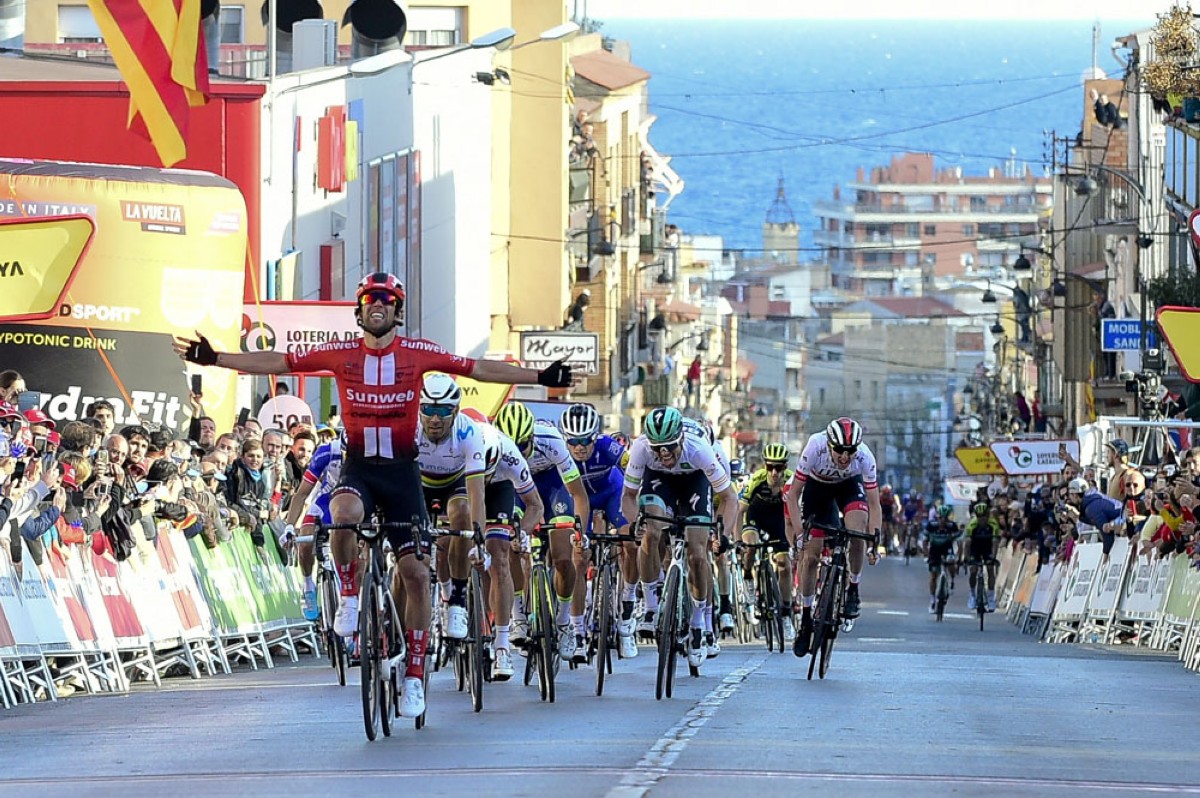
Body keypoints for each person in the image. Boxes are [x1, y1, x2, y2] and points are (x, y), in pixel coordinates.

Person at [173, 271, 573, 718]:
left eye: (387, 299)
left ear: (398, 311)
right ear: (359, 311)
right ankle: (348, 593)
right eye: (368, 299)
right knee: (342, 511)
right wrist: (216, 358)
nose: (377, 304)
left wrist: (539, 373)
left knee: (418, 577)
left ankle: (416, 675)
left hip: (405, 474)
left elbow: (477, 368)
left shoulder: (418, 354)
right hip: (361, 469)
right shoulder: (342, 354)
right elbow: (279, 362)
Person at [620, 406, 741, 672]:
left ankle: (699, 623)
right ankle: (651, 606)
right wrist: (634, 524)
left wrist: (721, 534)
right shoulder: (641, 449)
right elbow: (628, 496)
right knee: (650, 533)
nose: (663, 453)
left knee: (698, 553)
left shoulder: (699, 449)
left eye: (669, 447)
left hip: (694, 480)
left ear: (681, 439)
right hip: (659, 480)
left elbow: (730, 498)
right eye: (657, 448)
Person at [495, 401, 591, 664]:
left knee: (563, 555)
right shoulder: (492, 445)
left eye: (523, 446)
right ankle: (518, 618)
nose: (519, 452)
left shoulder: (551, 441)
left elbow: (578, 494)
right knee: (509, 543)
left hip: (550, 485)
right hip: (512, 485)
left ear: (532, 438)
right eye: (512, 447)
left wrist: (580, 532)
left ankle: (563, 623)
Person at [785, 417, 882, 658]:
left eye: (850, 451)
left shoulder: (864, 457)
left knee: (857, 530)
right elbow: (793, 495)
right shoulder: (814, 446)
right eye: (839, 450)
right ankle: (806, 619)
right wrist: (799, 535)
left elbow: (874, 504)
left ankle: (853, 589)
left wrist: (874, 541)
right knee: (811, 555)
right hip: (817, 489)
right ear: (829, 445)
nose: (845, 456)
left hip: (849, 486)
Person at [558, 403, 638, 660]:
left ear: (595, 437)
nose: (579, 447)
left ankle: (627, 606)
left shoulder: (609, 447)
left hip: (611, 494)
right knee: (579, 558)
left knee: (631, 541)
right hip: (580, 502)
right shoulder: (560, 453)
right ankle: (578, 631)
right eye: (573, 441)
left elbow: (635, 471)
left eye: (585, 441)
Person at [738, 443, 795, 640]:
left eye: (779, 467)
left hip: (779, 521)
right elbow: (740, 511)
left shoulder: (791, 480)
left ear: (785, 466)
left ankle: (786, 613)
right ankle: (747, 577)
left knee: (784, 565)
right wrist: (738, 540)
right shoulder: (757, 479)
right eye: (770, 466)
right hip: (756, 517)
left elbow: (798, 510)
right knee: (751, 546)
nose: (774, 472)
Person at [964, 501, 1001, 611]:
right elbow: (967, 544)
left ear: (988, 515)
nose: (982, 519)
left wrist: (993, 558)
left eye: (984, 516)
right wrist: (966, 558)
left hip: (987, 547)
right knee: (973, 570)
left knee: (990, 569)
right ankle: (972, 595)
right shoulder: (972, 524)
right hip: (975, 548)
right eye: (979, 517)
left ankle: (990, 598)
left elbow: (995, 542)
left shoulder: (993, 524)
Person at [925, 505, 962, 613]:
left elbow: (959, 542)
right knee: (933, 576)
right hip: (934, 550)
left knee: (951, 564)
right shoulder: (931, 525)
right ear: (937, 517)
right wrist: (927, 555)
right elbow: (925, 541)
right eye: (941, 518)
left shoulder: (952, 526)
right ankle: (932, 600)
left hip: (947, 549)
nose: (943, 520)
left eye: (945, 518)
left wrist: (958, 557)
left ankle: (952, 580)